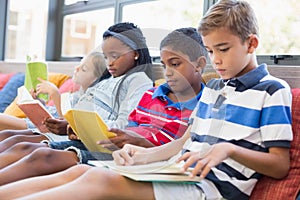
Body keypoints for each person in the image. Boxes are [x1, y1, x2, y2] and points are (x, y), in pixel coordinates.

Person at [0, 1, 293, 199]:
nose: (217, 60)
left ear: (252, 43)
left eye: (224, 49)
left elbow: (279, 165)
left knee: (100, 181)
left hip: (212, 188)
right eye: (211, 50)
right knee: (80, 170)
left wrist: (228, 150)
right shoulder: (215, 87)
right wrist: (141, 156)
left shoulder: (271, 90)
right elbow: (184, 142)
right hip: (178, 171)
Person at [0, 27, 208, 185]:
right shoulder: (150, 95)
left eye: (175, 64)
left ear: (199, 64)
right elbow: (129, 127)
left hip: (129, 156)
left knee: (41, 153)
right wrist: (79, 127)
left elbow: (181, 145)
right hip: (112, 147)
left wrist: (137, 142)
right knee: (22, 143)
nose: (168, 72)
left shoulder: (204, 104)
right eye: (164, 65)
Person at [0, 22, 153, 167]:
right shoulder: (108, 81)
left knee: (24, 147)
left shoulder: (138, 80)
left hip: (93, 143)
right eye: (106, 57)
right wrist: (64, 122)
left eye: (115, 55)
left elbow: (123, 127)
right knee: (10, 137)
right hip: (74, 133)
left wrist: (78, 127)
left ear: (135, 53)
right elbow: (75, 110)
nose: (109, 63)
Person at [0, 51, 106, 152]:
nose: (76, 68)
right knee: (6, 134)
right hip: (37, 125)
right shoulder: (75, 95)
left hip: (48, 131)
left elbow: (67, 124)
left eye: (83, 69)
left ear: (96, 79)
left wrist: (55, 94)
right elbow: (51, 113)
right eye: (79, 64)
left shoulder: (92, 101)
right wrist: (39, 103)